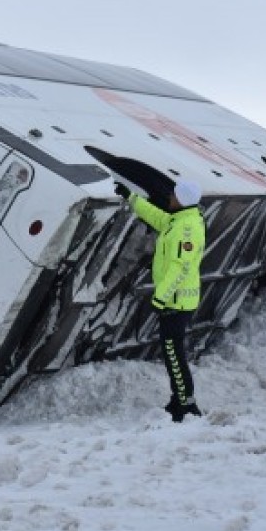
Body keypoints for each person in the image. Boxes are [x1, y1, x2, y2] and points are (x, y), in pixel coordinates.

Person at [114, 179, 206, 422]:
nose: (170, 198)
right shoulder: (180, 220)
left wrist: (160, 298)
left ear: (183, 199)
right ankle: (180, 401)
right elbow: (156, 217)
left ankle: (186, 405)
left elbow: (180, 268)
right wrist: (131, 197)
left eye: (174, 196)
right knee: (172, 353)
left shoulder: (186, 230)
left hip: (176, 303)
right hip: (175, 301)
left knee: (174, 354)